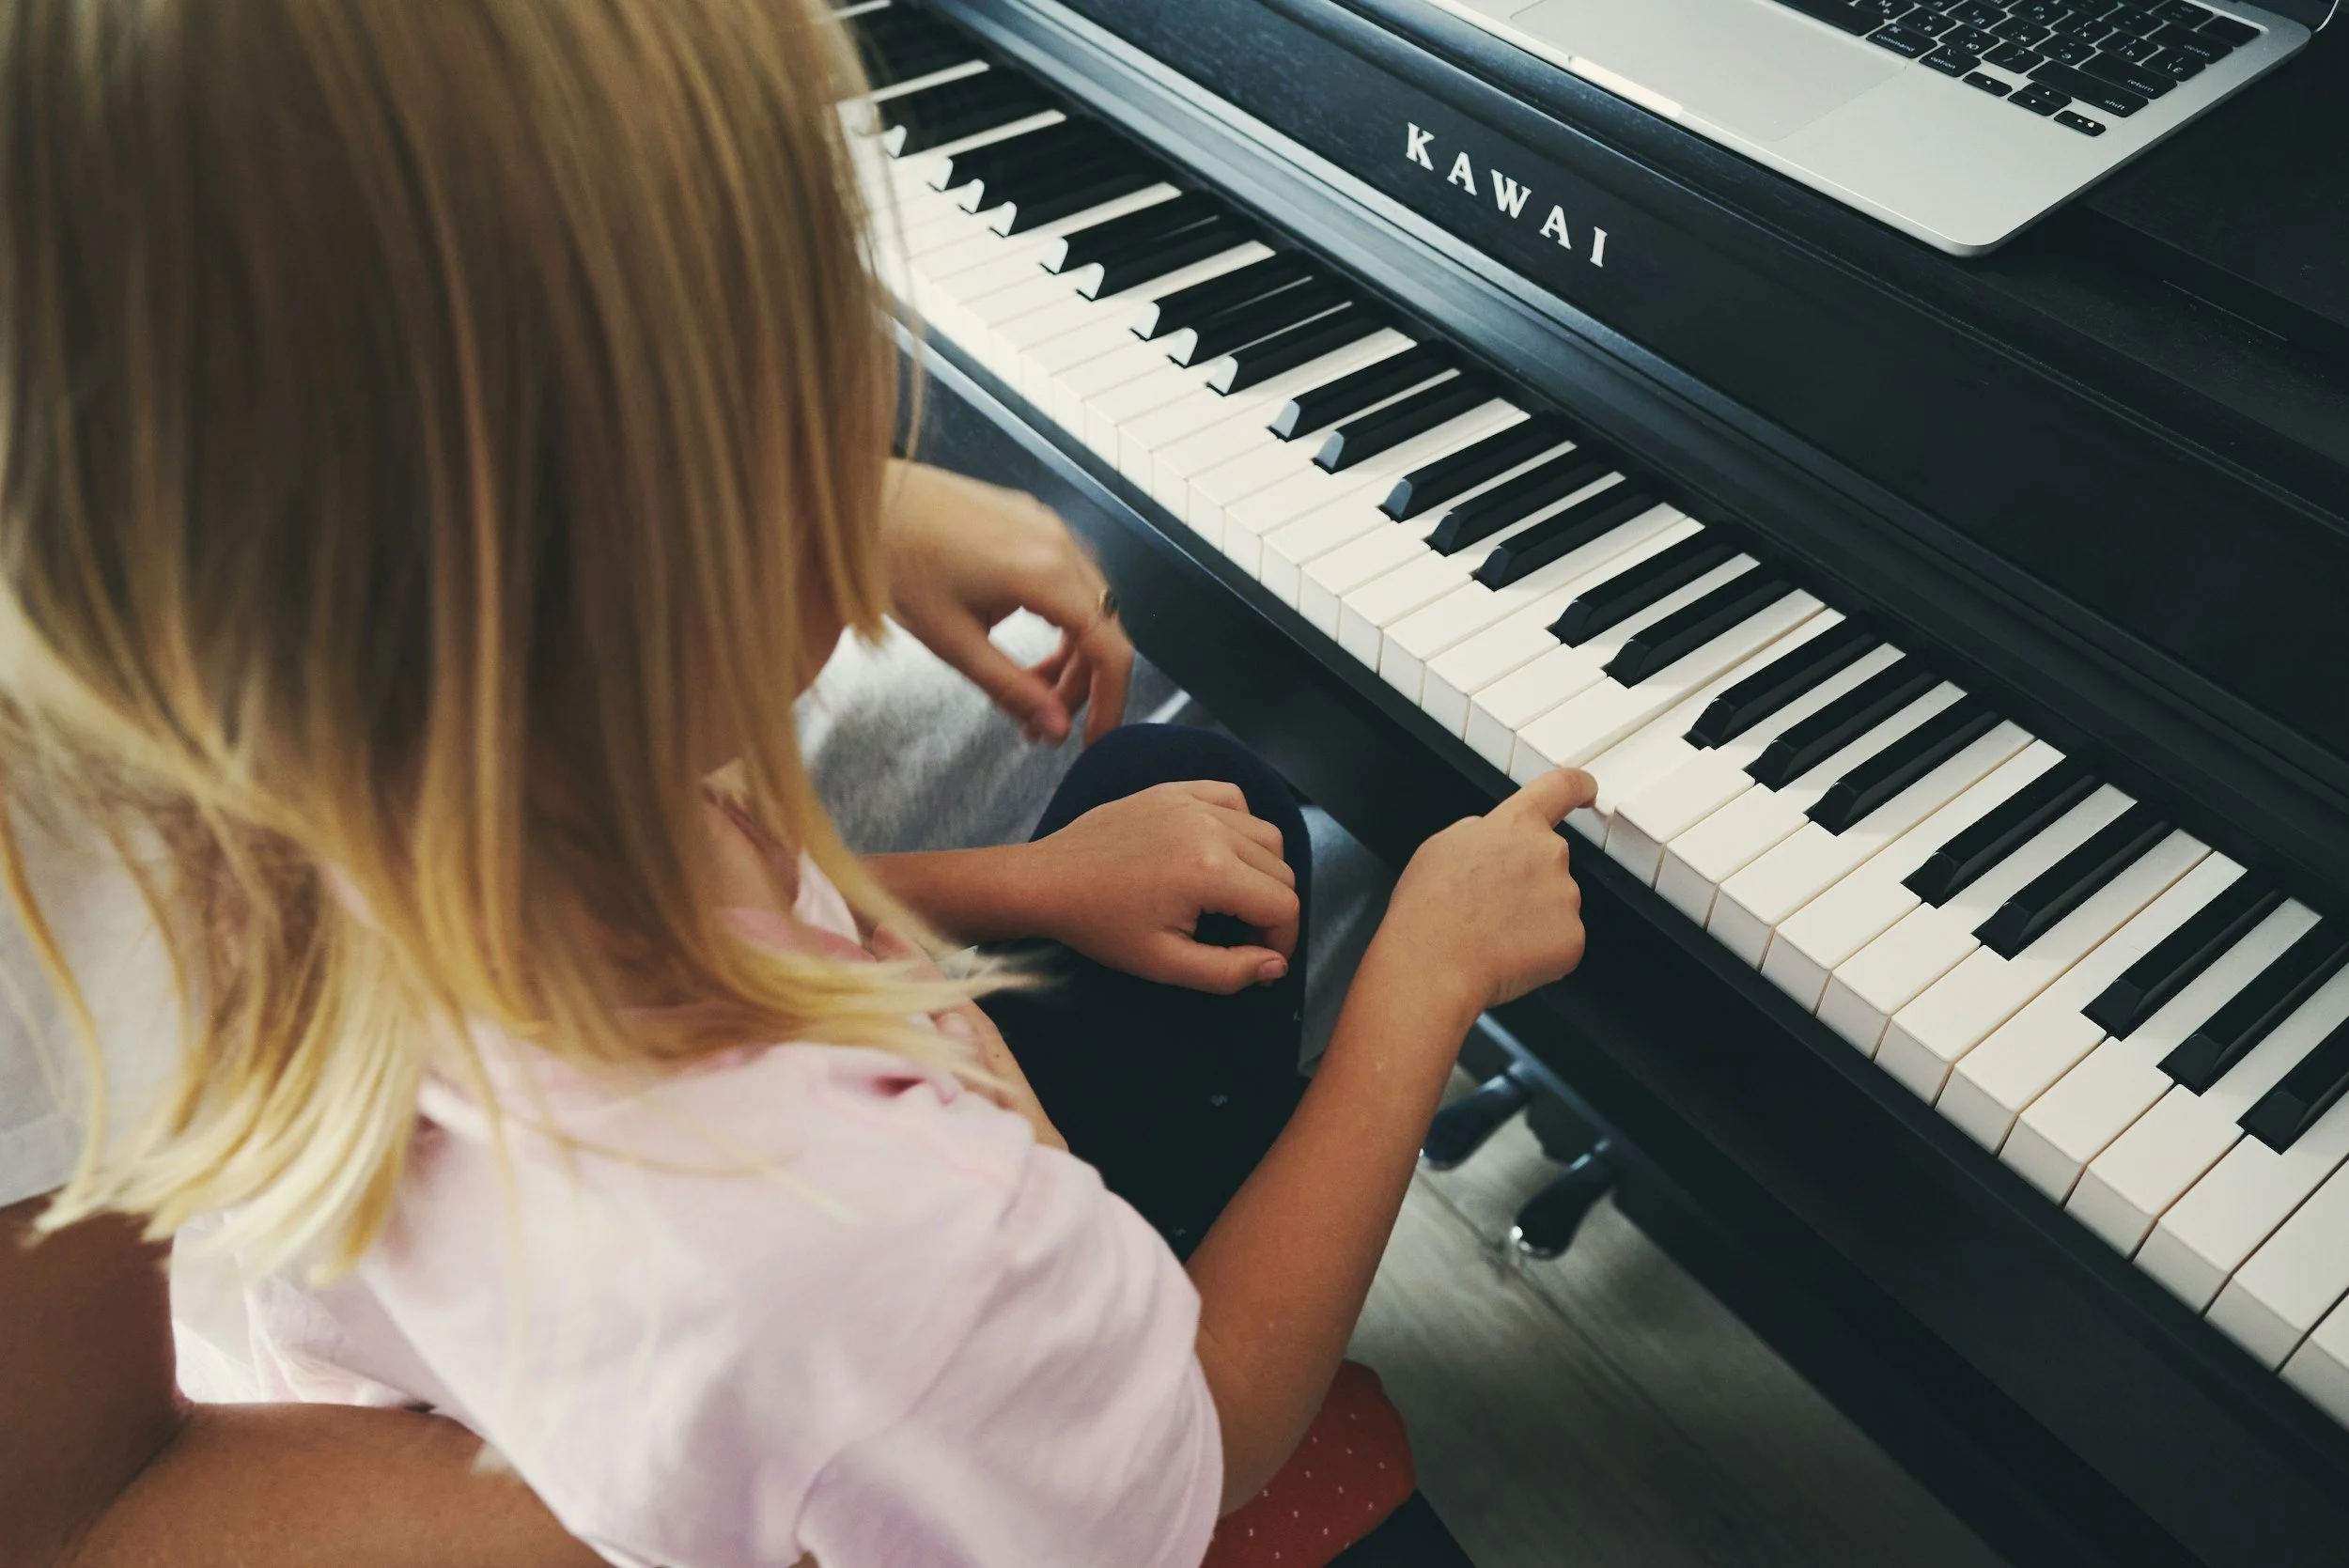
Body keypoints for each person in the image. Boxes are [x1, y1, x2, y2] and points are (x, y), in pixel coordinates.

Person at [0, 3, 1595, 1567]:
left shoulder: (272, 791)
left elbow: (717, 945)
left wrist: (1017, 890)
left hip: (679, 1335)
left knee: (1191, 790)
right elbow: (1209, 1433)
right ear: (688, 535)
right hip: (1008, 1425)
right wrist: (1421, 983)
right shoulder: (862, 1266)